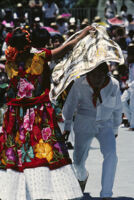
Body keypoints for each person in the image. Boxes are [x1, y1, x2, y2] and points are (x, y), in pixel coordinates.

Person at [0, 25, 94, 200]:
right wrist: (83, 33)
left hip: (16, 114)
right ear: (29, 45)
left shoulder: (9, 61)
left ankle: (18, 192)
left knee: (19, 152)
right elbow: (67, 47)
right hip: (38, 113)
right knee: (45, 151)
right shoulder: (41, 56)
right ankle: (47, 190)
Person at [62, 62, 122, 200]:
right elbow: (69, 105)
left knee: (111, 154)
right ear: (88, 73)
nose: (97, 79)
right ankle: (82, 176)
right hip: (84, 121)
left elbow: (118, 108)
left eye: (101, 76)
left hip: (105, 123)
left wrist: (115, 128)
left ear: (106, 75)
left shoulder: (114, 84)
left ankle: (106, 194)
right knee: (78, 161)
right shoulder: (79, 83)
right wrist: (66, 127)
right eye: (94, 75)